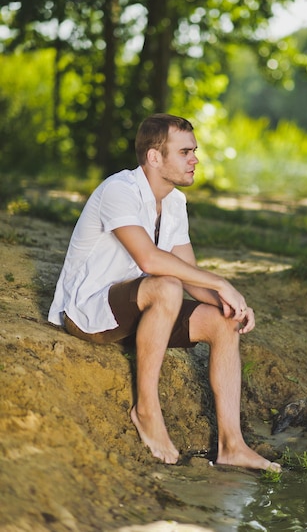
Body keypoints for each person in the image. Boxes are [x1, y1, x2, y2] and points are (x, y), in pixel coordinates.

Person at [49, 113, 281, 472]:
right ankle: (146, 410)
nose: (195, 159)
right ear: (155, 157)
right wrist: (221, 282)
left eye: (195, 151)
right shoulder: (119, 190)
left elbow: (189, 274)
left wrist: (231, 303)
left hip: (145, 310)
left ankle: (232, 445)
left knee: (223, 323)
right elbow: (149, 258)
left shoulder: (174, 203)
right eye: (186, 152)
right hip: (89, 313)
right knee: (167, 286)